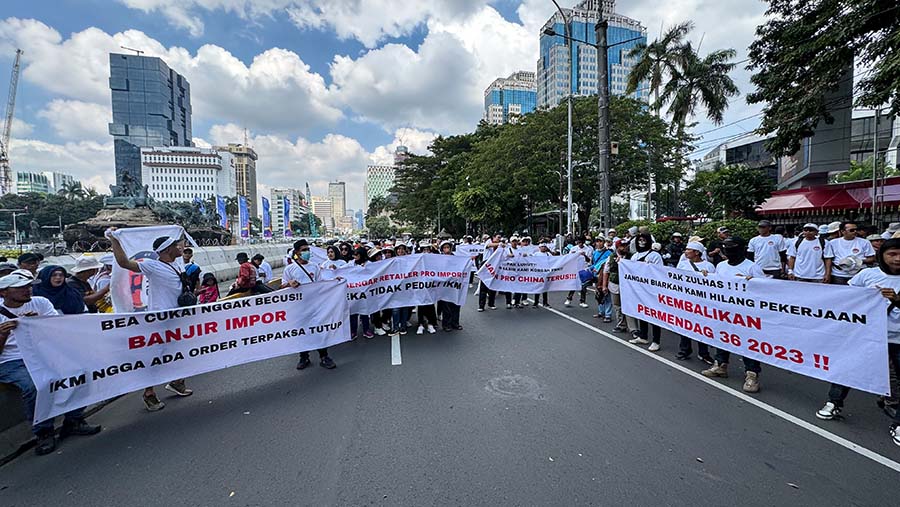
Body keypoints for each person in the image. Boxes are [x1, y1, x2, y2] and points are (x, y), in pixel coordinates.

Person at [0, 269, 102, 456]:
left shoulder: (40, 302)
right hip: (12, 360)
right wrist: (3, 333)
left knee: (81, 371)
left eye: (28, 286)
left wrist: (39, 324)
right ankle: (43, 432)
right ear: (4, 292)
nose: (27, 290)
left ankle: (74, 419)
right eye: (20, 288)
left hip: (41, 354)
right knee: (34, 386)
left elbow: (56, 332)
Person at [814, 238, 900, 447]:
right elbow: (849, 298)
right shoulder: (868, 275)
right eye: (892, 254)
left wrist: (897, 300)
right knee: (848, 369)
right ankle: (834, 402)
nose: (898, 259)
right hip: (868, 335)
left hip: (898, 337)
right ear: (882, 255)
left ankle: (898, 422)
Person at [108, 231, 193, 411]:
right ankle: (149, 393)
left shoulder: (177, 264)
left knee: (180, 350)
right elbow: (124, 263)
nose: (180, 248)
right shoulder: (152, 266)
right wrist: (114, 240)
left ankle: (177, 382)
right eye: (175, 246)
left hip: (178, 317)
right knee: (156, 356)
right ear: (167, 249)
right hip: (160, 319)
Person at [701, 237, 766, 393]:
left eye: (732, 248)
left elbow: (764, 292)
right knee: (723, 337)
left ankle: (752, 374)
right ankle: (720, 365)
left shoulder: (752, 267)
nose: (728, 251)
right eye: (726, 248)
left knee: (748, 343)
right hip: (724, 311)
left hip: (745, 315)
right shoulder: (721, 266)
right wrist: (705, 277)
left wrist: (754, 282)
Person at [282, 239, 337, 370]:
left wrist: (335, 282)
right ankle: (304, 357)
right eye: (303, 250)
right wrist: (289, 284)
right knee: (302, 332)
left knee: (318, 330)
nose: (307, 252)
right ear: (297, 252)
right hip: (299, 307)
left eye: (308, 249)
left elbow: (321, 283)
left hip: (315, 306)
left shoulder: (314, 267)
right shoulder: (290, 269)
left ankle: (324, 357)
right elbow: (282, 286)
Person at [675, 242, 716, 363]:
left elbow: (715, 284)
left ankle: (703, 353)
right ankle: (684, 350)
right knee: (685, 325)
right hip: (686, 301)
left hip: (702, 302)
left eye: (689, 250)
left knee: (701, 327)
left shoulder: (709, 266)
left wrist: (706, 277)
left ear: (697, 252)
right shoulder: (682, 265)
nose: (686, 252)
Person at [627, 233, 664, 351]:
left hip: (652, 291)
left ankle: (656, 341)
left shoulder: (655, 256)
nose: (641, 242)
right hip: (639, 290)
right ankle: (643, 336)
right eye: (639, 240)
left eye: (644, 240)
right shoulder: (635, 256)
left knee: (654, 315)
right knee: (642, 313)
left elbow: (660, 272)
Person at [825, 221, 875, 285]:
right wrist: (827, 274)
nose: (855, 232)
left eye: (856, 230)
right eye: (852, 230)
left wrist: (857, 261)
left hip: (857, 274)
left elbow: (872, 258)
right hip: (838, 274)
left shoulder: (865, 242)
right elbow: (828, 259)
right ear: (843, 231)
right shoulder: (833, 243)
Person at [602, 239, 630, 333]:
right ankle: (621, 325)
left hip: (628, 286)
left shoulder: (631, 257)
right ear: (617, 247)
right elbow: (606, 271)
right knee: (618, 306)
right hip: (615, 284)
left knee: (629, 305)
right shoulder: (611, 257)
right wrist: (604, 286)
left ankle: (632, 327)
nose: (625, 248)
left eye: (626, 245)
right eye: (623, 246)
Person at [349, 246, 374, 339]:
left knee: (364, 311)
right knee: (353, 313)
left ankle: (366, 330)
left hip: (365, 292)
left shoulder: (369, 264)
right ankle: (353, 331)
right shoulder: (351, 264)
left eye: (357, 254)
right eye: (354, 254)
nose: (355, 256)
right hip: (353, 292)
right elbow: (342, 270)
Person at [438, 240, 462, 331]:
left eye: (448, 247)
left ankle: (455, 323)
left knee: (456, 304)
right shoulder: (439, 259)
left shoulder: (456, 258)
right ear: (442, 249)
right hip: (444, 285)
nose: (447, 249)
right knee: (446, 305)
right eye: (445, 248)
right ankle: (446, 324)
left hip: (454, 284)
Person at [566, 237, 593, 308]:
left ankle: (582, 301)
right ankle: (569, 298)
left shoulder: (588, 249)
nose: (580, 244)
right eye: (579, 242)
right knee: (574, 284)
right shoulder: (573, 249)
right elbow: (568, 259)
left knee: (583, 286)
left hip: (583, 269)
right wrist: (573, 254)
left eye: (581, 242)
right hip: (575, 269)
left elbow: (589, 260)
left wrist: (584, 255)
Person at [478, 234, 502, 311]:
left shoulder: (499, 246)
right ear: (493, 237)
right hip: (486, 264)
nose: (499, 239)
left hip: (495, 265)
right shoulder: (489, 241)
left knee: (493, 285)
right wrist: (499, 244)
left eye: (500, 238)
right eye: (498, 237)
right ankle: (481, 305)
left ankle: (491, 303)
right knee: (483, 286)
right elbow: (489, 245)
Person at [531, 243, 552, 308]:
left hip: (546, 273)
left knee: (545, 289)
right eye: (542, 247)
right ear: (539, 248)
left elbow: (553, 261)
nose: (543, 248)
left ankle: (545, 302)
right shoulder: (536, 254)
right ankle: (535, 302)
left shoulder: (548, 254)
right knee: (537, 288)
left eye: (544, 247)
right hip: (538, 273)